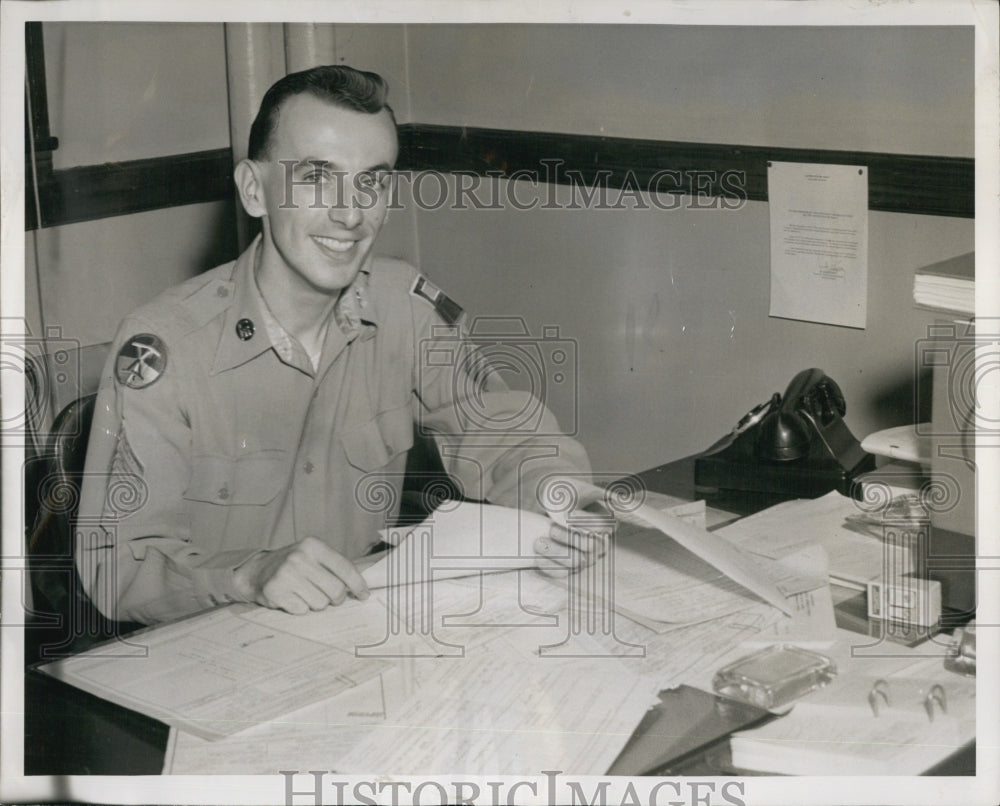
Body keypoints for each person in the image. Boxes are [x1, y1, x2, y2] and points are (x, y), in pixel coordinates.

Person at [76, 65, 599, 626]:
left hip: (358, 634)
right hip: (212, 658)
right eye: (318, 178)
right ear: (255, 190)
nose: (351, 214)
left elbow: (506, 430)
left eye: (371, 180)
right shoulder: (165, 349)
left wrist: (555, 495)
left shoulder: (406, 305)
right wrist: (248, 574)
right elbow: (116, 567)